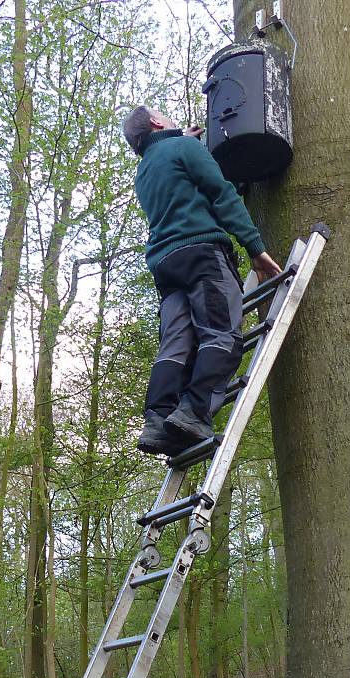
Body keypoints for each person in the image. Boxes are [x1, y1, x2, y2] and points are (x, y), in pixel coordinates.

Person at [121, 105, 283, 456]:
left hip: (165, 264)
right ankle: (194, 413)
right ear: (155, 122)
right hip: (201, 255)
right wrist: (255, 248)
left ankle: (157, 418)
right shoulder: (183, 148)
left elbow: (175, 171)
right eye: (164, 113)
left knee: (176, 343)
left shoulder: (145, 170)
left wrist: (183, 142)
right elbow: (222, 194)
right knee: (222, 333)